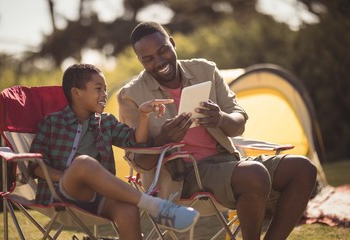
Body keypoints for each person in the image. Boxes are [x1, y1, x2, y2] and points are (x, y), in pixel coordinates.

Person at [117, 22, 317, 240]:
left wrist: (220, 118)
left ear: (172, 44)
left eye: (163, 50)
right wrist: (163, 139)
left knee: (303, 169)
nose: (159, 61)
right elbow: (139, 162)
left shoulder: (205, 70)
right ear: (140, 61)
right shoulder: (131, 95)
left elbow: (238, 121)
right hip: (182, 177)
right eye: (148, 59)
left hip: (227, 163)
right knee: (254, 174)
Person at [29, 63, 199, 240]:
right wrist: (69, 175)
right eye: (98, 89)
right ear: (76, 92)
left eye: (105, 89)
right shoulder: (52, 123)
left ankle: (154, 206)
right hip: (62, 193)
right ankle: (155, 206)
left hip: (98, 195)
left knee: (128, 211)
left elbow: (137, 142)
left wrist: (143, 116)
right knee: (83, 164)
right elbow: (34, 166)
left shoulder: (106, 122)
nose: (104, 94)